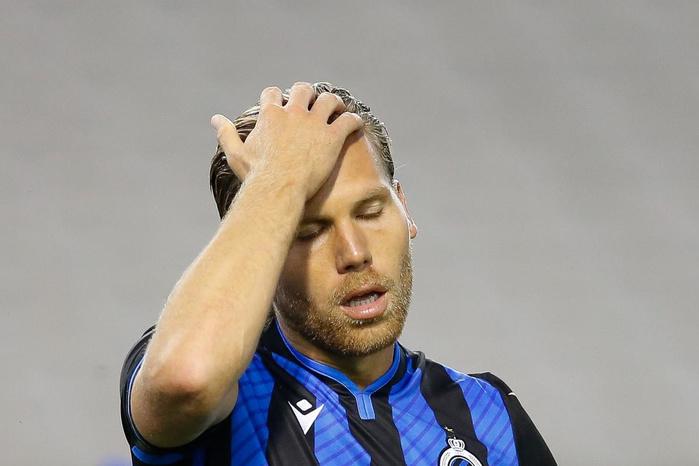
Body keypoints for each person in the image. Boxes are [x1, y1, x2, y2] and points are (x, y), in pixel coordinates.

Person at [119, 81, 557, 466]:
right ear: (262, 249)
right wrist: (279, 179)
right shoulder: (224, 396)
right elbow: (187, 379)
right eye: (309, 231)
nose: (354, 253)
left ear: (404, 207)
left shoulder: (488, 416)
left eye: (370, 212)